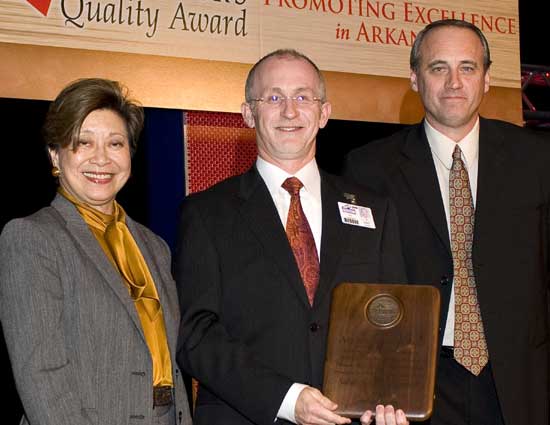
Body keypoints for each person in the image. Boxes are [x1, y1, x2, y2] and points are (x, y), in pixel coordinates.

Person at [174, 49, 409, 425]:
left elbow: (396, 319)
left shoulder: (375, 211)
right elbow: (195, 335)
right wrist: (285, 398)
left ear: (324, 113)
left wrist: (392, 398)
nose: (289, 111)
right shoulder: (206, 214)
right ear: (248, 114)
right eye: (273, 98)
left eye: (302, 97)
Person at [345, 19, 550, 425]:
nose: (454, 82)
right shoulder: (369, 169)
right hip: (416, 386)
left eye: (468, 68)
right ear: (415, 79)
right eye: (438, 68)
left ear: (488, 79)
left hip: (520, 382)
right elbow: (361, 287)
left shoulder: (537, 159)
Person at [0, 78, 193, 425]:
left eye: (115, 143)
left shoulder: (154, 247)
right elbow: (41, 374)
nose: (101, 158)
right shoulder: (32, 238)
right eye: (83, 143)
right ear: (55, 154)